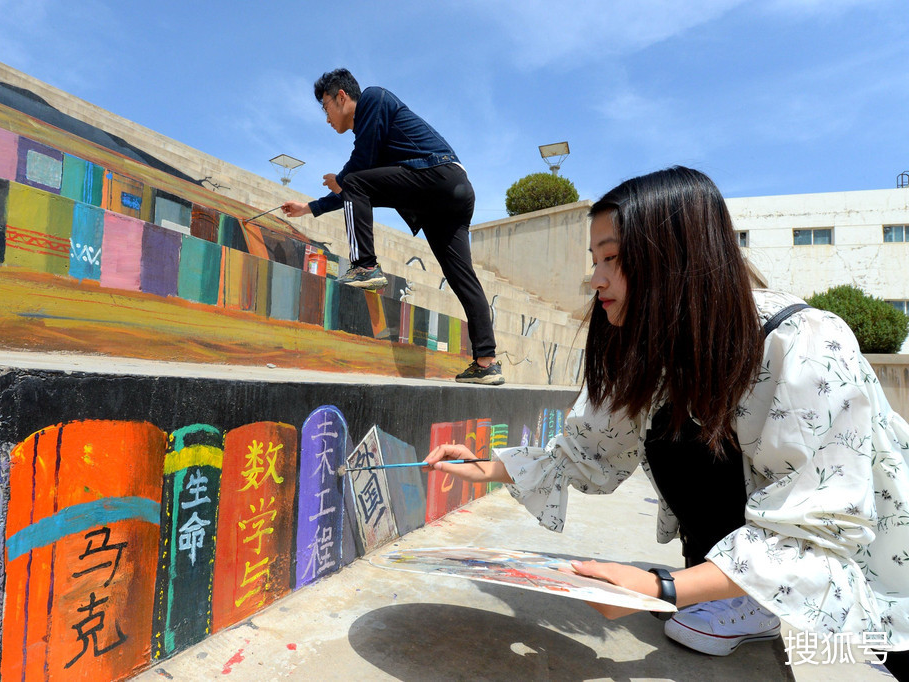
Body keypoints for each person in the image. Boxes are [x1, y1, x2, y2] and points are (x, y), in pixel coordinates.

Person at [425, 167, 909, 678]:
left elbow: (821, 528)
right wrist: (486, 467)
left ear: (676, 258)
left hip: (888, 564)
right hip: (746, 550)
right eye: (595, 260)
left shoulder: (803, 343)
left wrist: (662, 590)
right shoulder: (643, 343)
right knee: (674, 434)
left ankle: (746, 597)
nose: (595, 279)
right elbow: (592, 447)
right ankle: (738, 594)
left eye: (612, 258)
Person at [281, 68, 503, 386]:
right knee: (462, 278)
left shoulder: (374, 99)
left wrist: (340, 183)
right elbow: (357, 188)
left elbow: (356, 175)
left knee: (354, 180)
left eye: (325, 107)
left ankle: (365, 266)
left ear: (341, 97)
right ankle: (487, 363)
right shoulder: (373, 131)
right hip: (449, 196)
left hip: (439, 176)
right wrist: (311, 207)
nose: (326, 118)